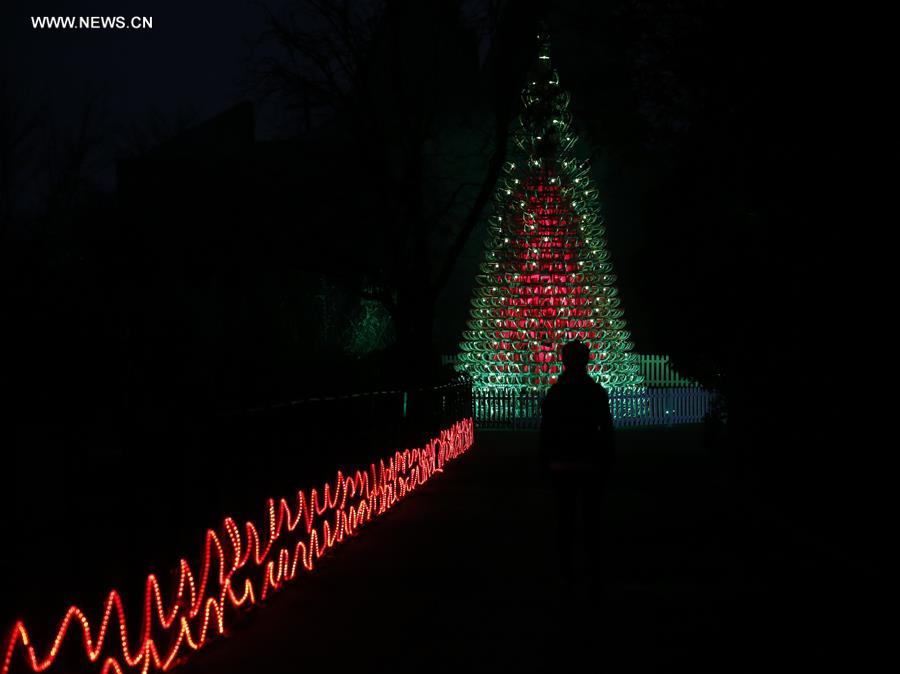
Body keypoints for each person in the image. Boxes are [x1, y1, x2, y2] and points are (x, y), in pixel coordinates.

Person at [540, 340, 616, 583]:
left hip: (562, 463)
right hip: (590, 462)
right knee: (590, 517)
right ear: (586, 361)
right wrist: (607, 458)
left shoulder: (556, 393)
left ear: (564, 361)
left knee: (565, 516)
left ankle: (567, 569)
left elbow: (546, 431)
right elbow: (606, 429)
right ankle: (591, 567)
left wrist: (545, 459)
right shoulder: (595, 392)